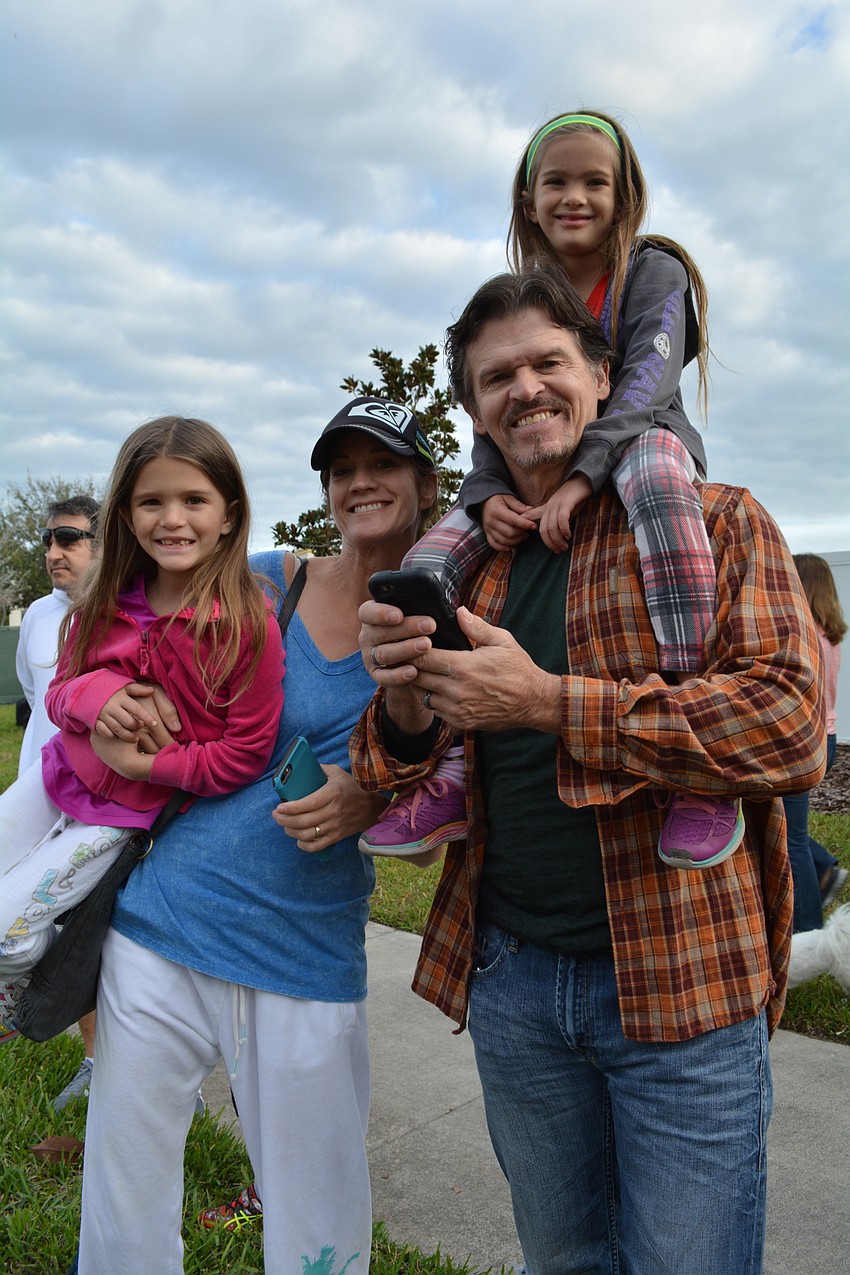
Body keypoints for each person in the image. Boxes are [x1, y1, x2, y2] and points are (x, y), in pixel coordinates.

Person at [351, 268, 826, 1275]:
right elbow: (394, 772)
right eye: (495, 377)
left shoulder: (719, 520)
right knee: (561, 1261)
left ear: (602, 378)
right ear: (474, 408)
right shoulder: (463, 567)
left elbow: (790, 730)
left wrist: (547, 702)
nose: (523, 389)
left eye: (546, 364)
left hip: (684, 982)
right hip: (514, 979)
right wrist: (399, 700)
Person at [74, 398, 439, 1275]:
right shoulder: (269, 583)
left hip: (301, 951)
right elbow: (109, 662)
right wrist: (108, 715)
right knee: (122, 1199)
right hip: (161, 925)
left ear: (425, 485)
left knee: (319, 1218)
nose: (360, 483)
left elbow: (439, 820)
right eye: (341, 469)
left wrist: (371, 792)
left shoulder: (452, 619)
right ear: (325, 490)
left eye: (381, 465)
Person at [361, 110, 738, 871]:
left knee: (661, 485)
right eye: (555, 182)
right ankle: (454, 760)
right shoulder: (522, 291)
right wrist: (489, 488)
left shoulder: (652, 269)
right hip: (537, 468)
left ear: (624, 192)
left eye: (594, 181)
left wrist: (579, 476)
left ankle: (692, 745)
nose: (575, 196)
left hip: (639, 439)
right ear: (527, 199)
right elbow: (494, 406)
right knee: (427, 565)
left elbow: (639, 386)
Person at [0, 418, 285, 1050]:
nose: (172, 519)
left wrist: (145, 768)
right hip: (54, 780)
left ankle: (38, 983)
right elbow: (61, 691)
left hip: (119, 818)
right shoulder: (104, 605)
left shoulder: (245, 628)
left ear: (231, 515)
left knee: (6, 932)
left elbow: (244, 754)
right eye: (152, 502)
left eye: (194, 500)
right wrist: (98, 697)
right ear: (127, 517)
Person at [13, 495, 102, 1108]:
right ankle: (94, 1058)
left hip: (102, 811)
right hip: (37, 799)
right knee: (55, 930)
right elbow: (32, 688)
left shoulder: (125, 613)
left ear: (102, 544)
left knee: (98, 935)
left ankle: (124, 1068)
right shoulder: (40, 620)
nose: (53, 554)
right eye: (48, 540)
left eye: (69, 540)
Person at [785, 553, 850, 989]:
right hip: (821, 737)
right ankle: (826, 868)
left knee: (789, 838)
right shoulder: (830, 637)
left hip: (798, 739)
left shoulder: (803, 635)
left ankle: (805, 937)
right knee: (791, 829)